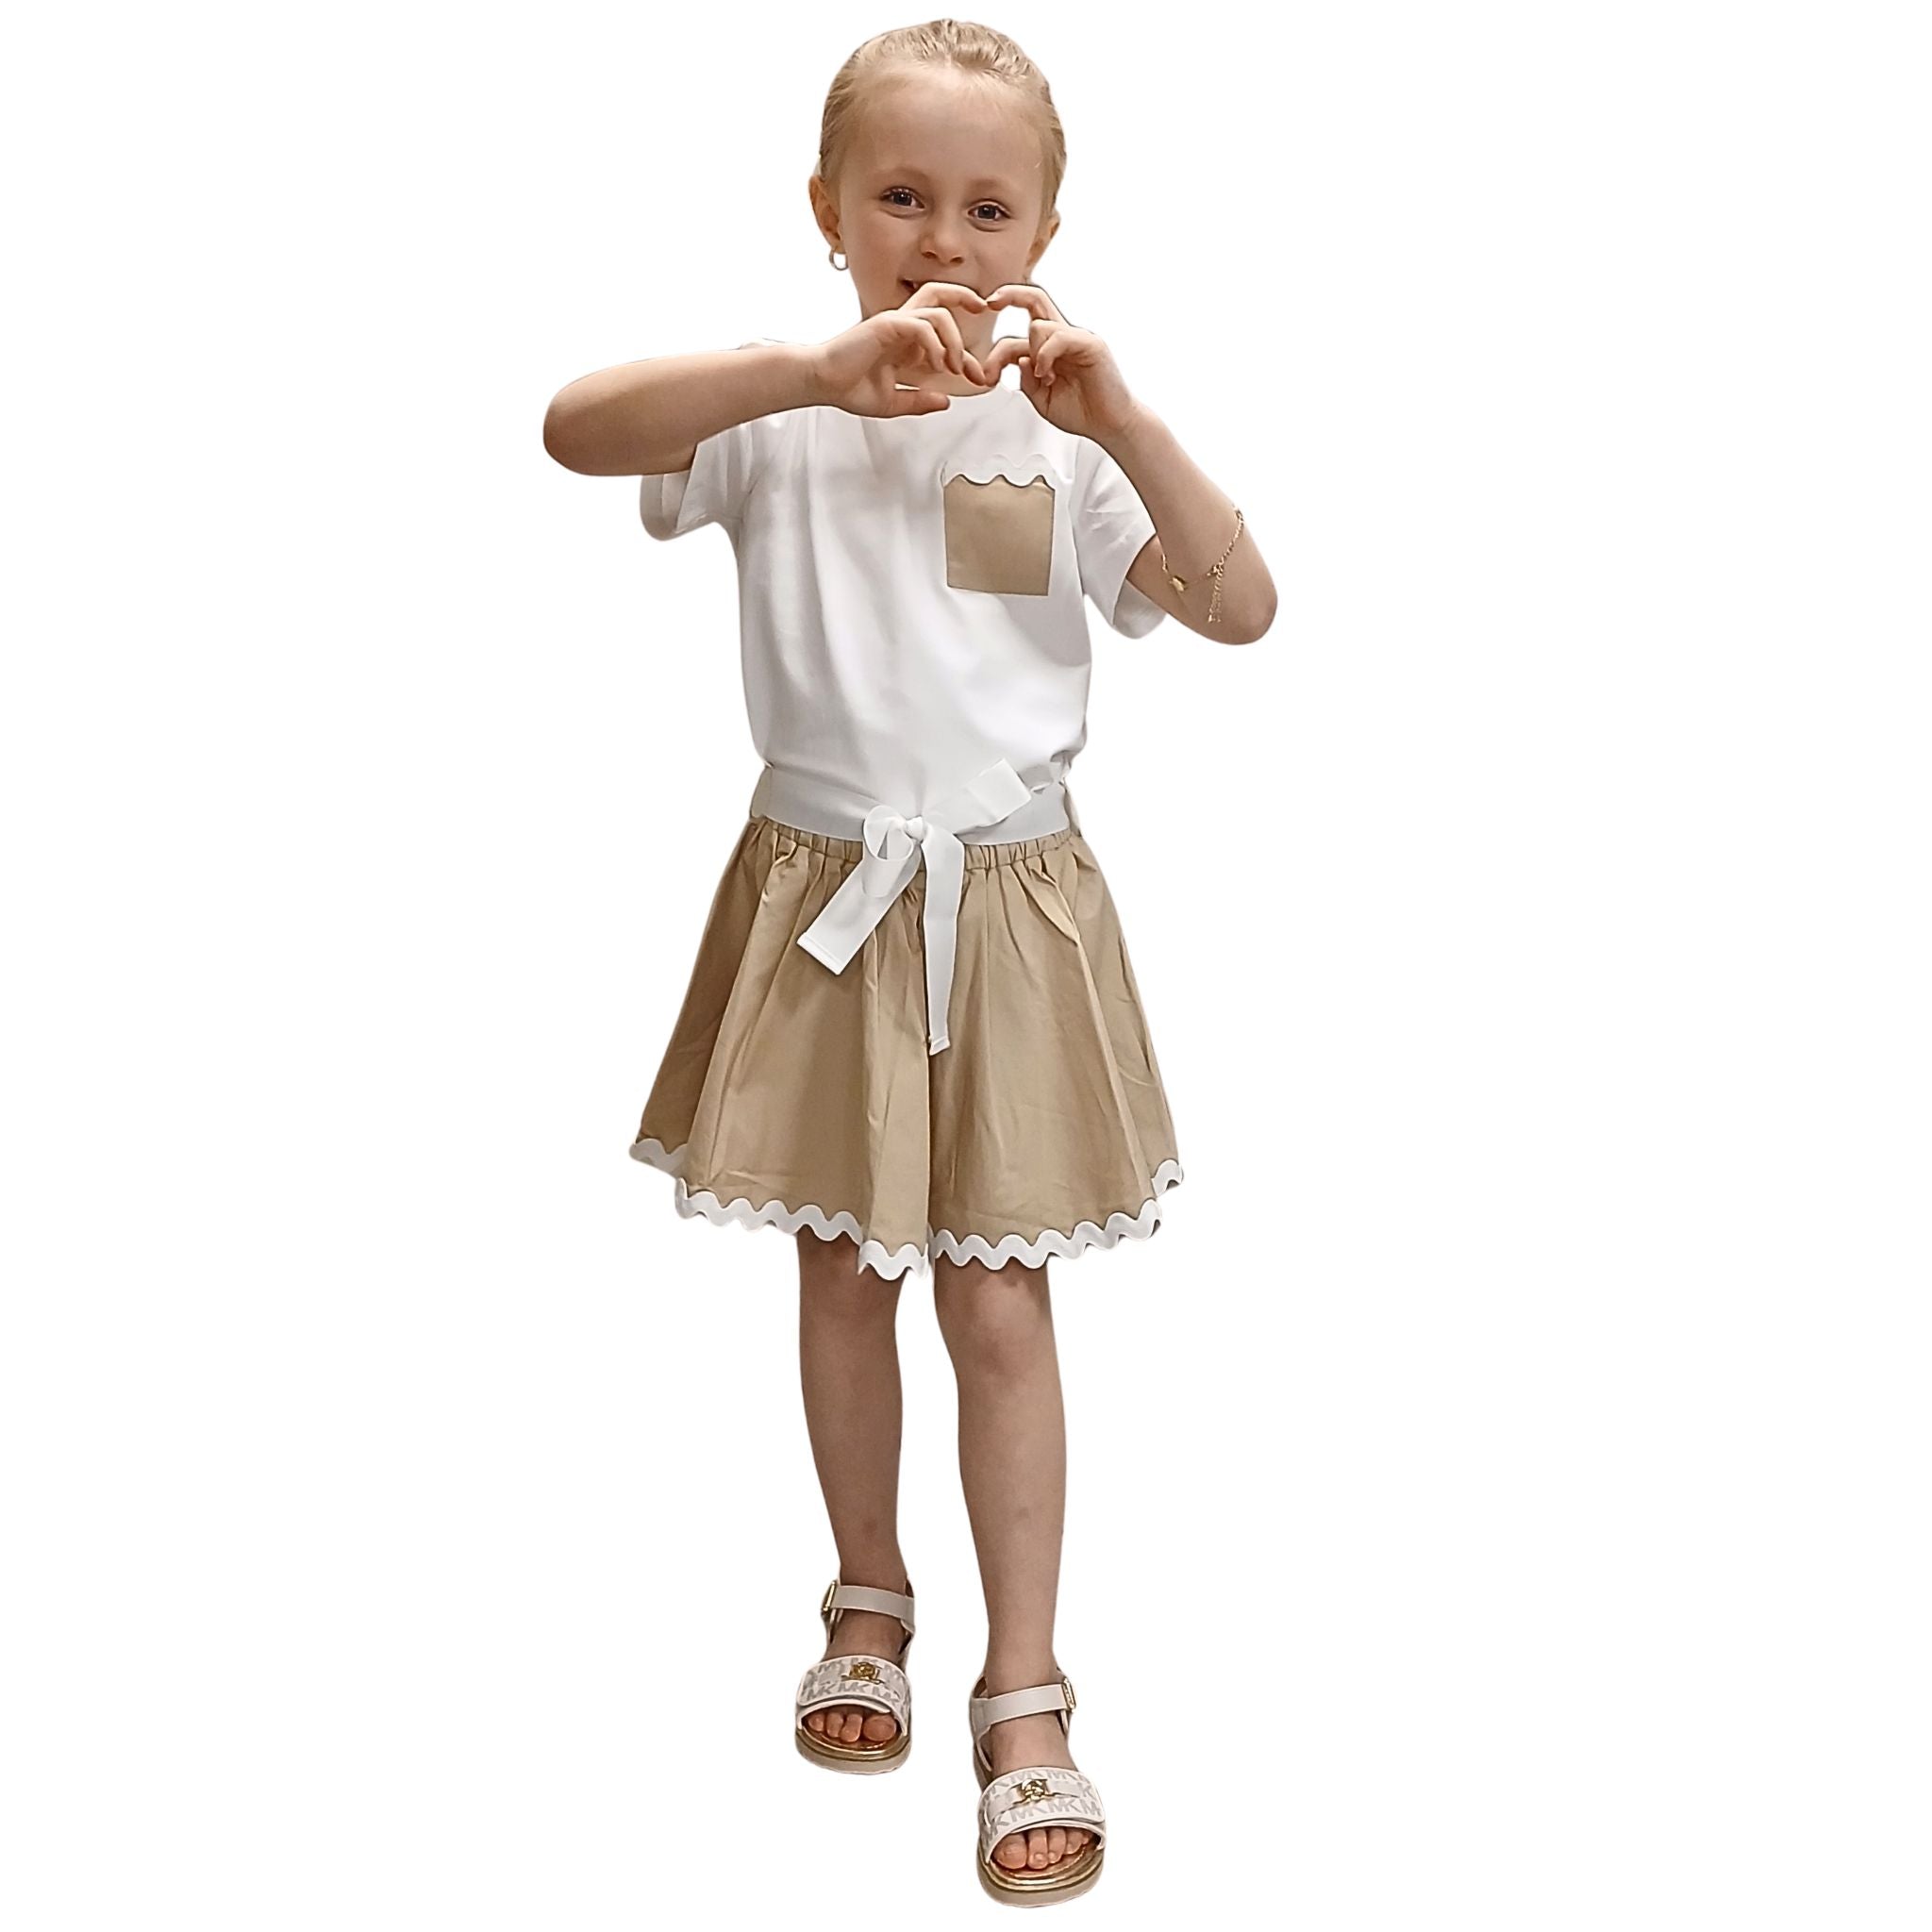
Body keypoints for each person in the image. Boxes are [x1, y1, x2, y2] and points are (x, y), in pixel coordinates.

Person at [543, 19, 1273, 1906]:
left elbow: (1241, 607)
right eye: (900, 198)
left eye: (986, 208)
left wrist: (1126, 421)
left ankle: (1024, 1688)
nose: (943, 241)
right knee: (841, 1272)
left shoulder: (1066, 440)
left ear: (1045, 232)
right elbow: (573, 427)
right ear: (828, 211)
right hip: (821, 893)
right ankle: (864, 1589)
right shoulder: (771, 409)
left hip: (1009, 902)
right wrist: (807, 369)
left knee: (1000, 1305)